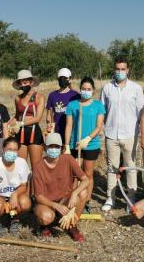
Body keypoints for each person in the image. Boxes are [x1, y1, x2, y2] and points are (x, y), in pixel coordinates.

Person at [100, 57, 144, 212]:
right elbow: (103, 111)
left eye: (123, 69)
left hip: (130, 134)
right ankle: (110, 198)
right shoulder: (107, 88)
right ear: (114, 70)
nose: (120, 72)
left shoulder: (136, 89)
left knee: (130, 167)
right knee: (112, 167)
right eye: (117, 69)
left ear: (128, 70)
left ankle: (130, 198)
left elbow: (141, 114)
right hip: (111, 134)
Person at [33, 133, 89, 242]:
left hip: (65, 199)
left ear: (61, 148)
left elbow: (85, 180)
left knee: (82, 193)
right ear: (45, 147)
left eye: (57, 147)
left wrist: (74, 193)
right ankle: (45, 226)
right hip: (47, 202)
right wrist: (55, 205)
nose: (54, 149)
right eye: (51, 146)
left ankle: (71, 224)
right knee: (46, 217)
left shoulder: (68, 159)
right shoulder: (38, 167)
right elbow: (38, 196)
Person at [64, 77, 105, 211]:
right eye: (84, 89)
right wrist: (66, 146)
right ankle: (73, 199)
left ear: (93, 91)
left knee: (88, 174)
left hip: (91, 144)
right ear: (80, 89)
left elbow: (99, 127)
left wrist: (87, 139)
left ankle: (86, 201)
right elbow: (69, 125)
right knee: (74, 174)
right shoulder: (73, 104)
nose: (86, 91)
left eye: (89, 89)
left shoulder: (98, 105)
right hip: (75, 144)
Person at [0, 137, 31, 240]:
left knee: (25, 203)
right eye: (9, 149)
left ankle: (15, 220)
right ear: (3, 149)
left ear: (18, 151)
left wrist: (15, 194)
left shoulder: (22, 163)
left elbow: (24, 186)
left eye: (15, 150)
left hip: (14, 197)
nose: (12, 152)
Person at [12, 70, 45, 167]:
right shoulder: (18, 98)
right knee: (20, 167)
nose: (23, 85)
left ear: (31, 82)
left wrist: (21, 124)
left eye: (25, 82)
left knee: (36, 167)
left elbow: (37, 118)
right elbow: (17, 116)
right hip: (20, 133)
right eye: (21, 83)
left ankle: (35, 183)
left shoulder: (39, 97)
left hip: (34, 132)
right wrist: (8, 125)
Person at [46, 68, 80, 143]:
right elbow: (49, 114)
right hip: (57, 131)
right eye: (61, 78)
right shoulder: (52, 95)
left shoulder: (76, 95)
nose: (62, 80)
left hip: (72, 131)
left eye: (65, 78)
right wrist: (49, 126)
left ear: (70, 79)